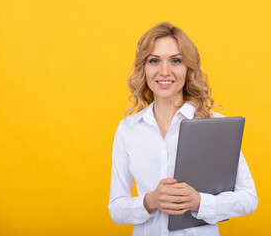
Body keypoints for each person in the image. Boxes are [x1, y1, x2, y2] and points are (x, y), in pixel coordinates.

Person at [108, 22, 258, 236]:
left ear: (188, 68)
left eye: (176, 61)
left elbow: (248, 198)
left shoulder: (213, 125)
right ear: (144, 68)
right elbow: (116, 209)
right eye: (154, 61)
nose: (165, 71)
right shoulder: (128, 129)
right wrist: (149, 201)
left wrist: (199, 202)